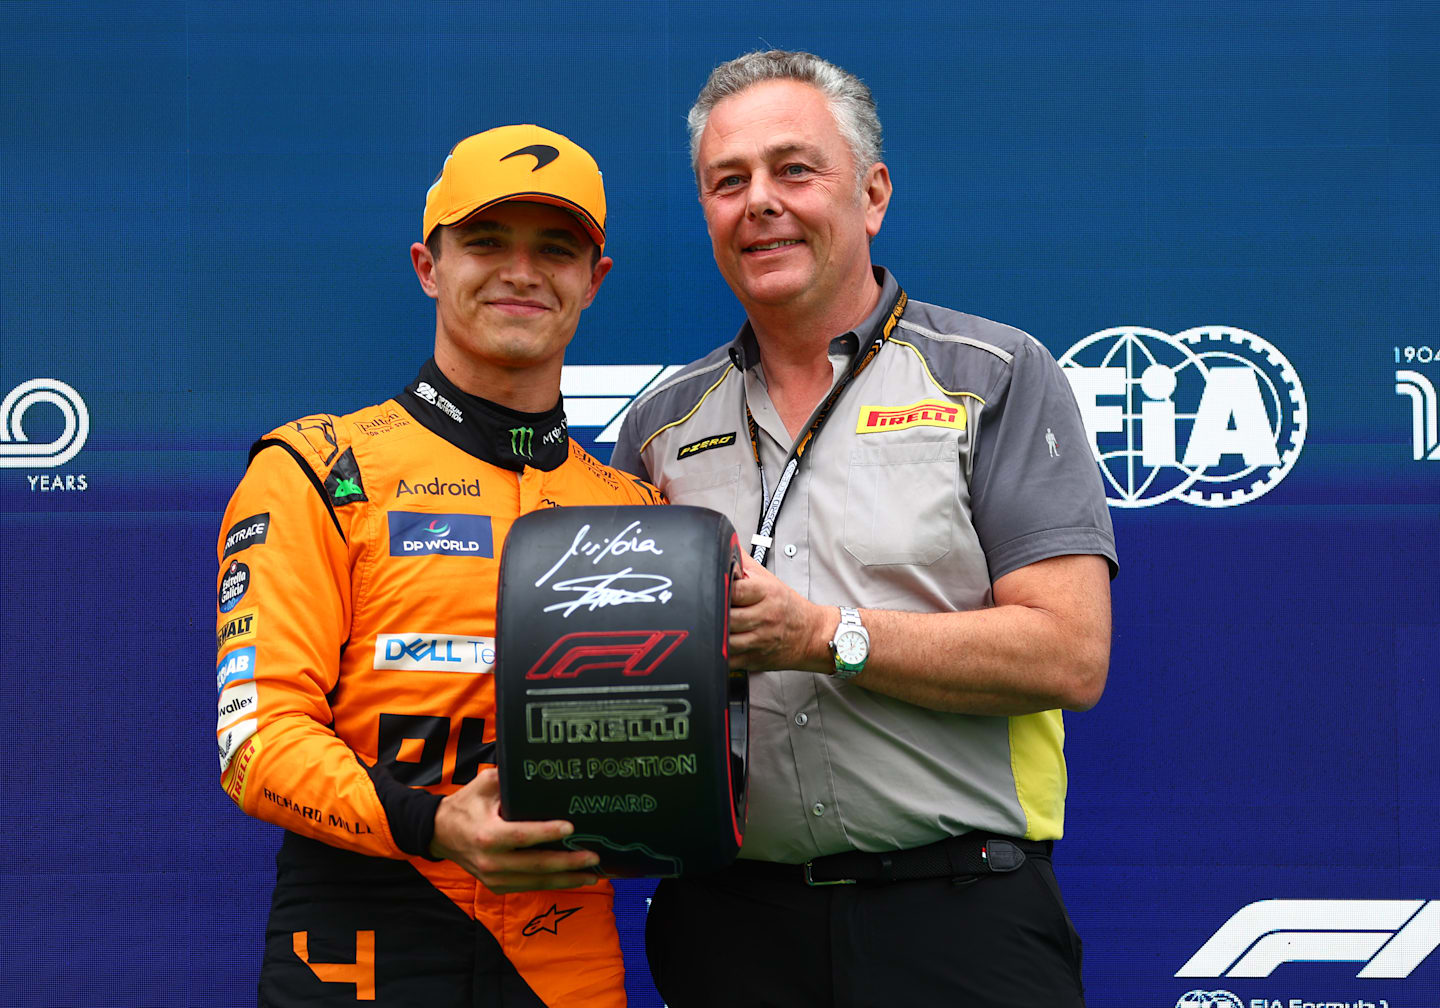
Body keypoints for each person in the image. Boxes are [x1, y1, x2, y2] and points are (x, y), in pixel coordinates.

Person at [611, 51, 1117, 1007]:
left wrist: (822, 635)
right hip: (727, 927)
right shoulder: (658, 425)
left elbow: (1070, 653)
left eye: (794, 170)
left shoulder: (993, 376)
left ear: (872, 193)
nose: (759, 201)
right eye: (729, 182)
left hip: (956, 912)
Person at [214, 124, 662, 1007]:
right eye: (487, 242)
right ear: (428, 265)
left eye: (557, 249)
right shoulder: (323, 468)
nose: (521, 272)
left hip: (562, 946)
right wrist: (434, 824)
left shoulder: (636, 506)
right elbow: (254, 738)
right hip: (362, 926)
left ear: (593, 279)